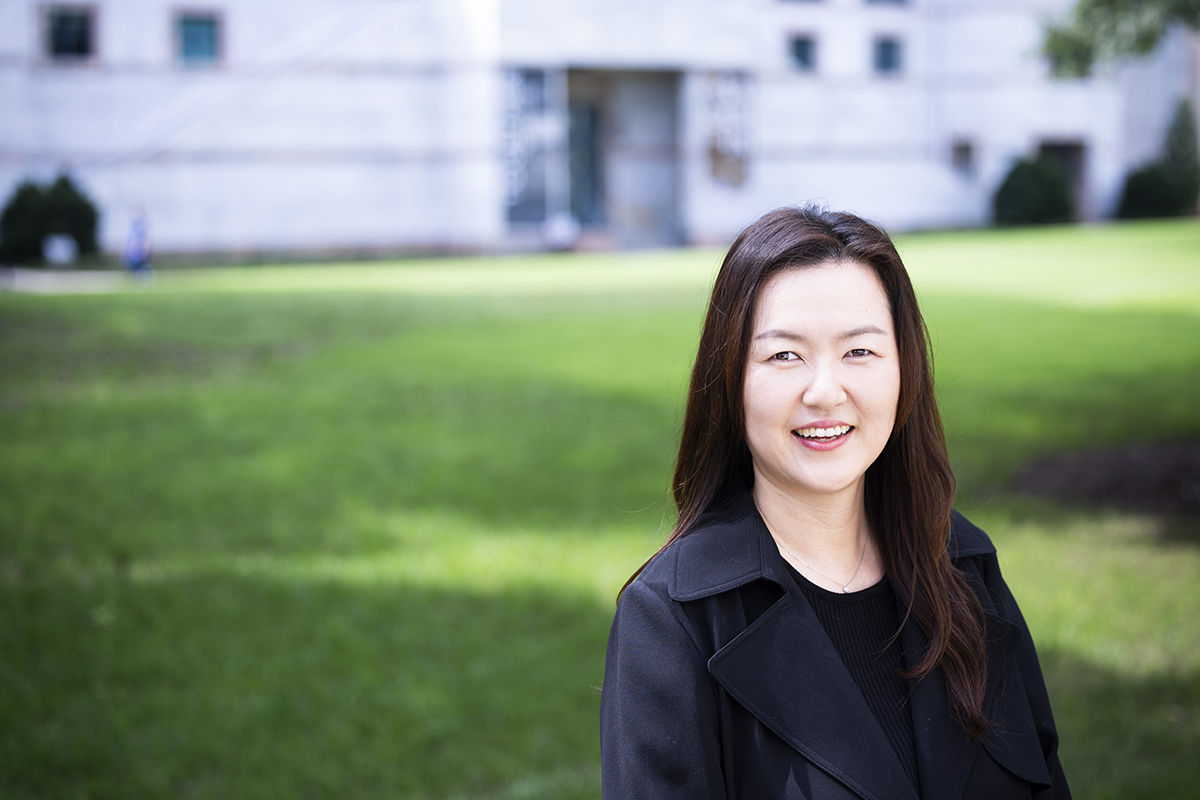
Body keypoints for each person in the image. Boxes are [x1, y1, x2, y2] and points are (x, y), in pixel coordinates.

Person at [600, 207, 1070, 799]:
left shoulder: (963, 566)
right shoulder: (675, 619)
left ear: (905, 370)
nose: (825, 392)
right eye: (784, 356)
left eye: (860, 352)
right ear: (730, 380)